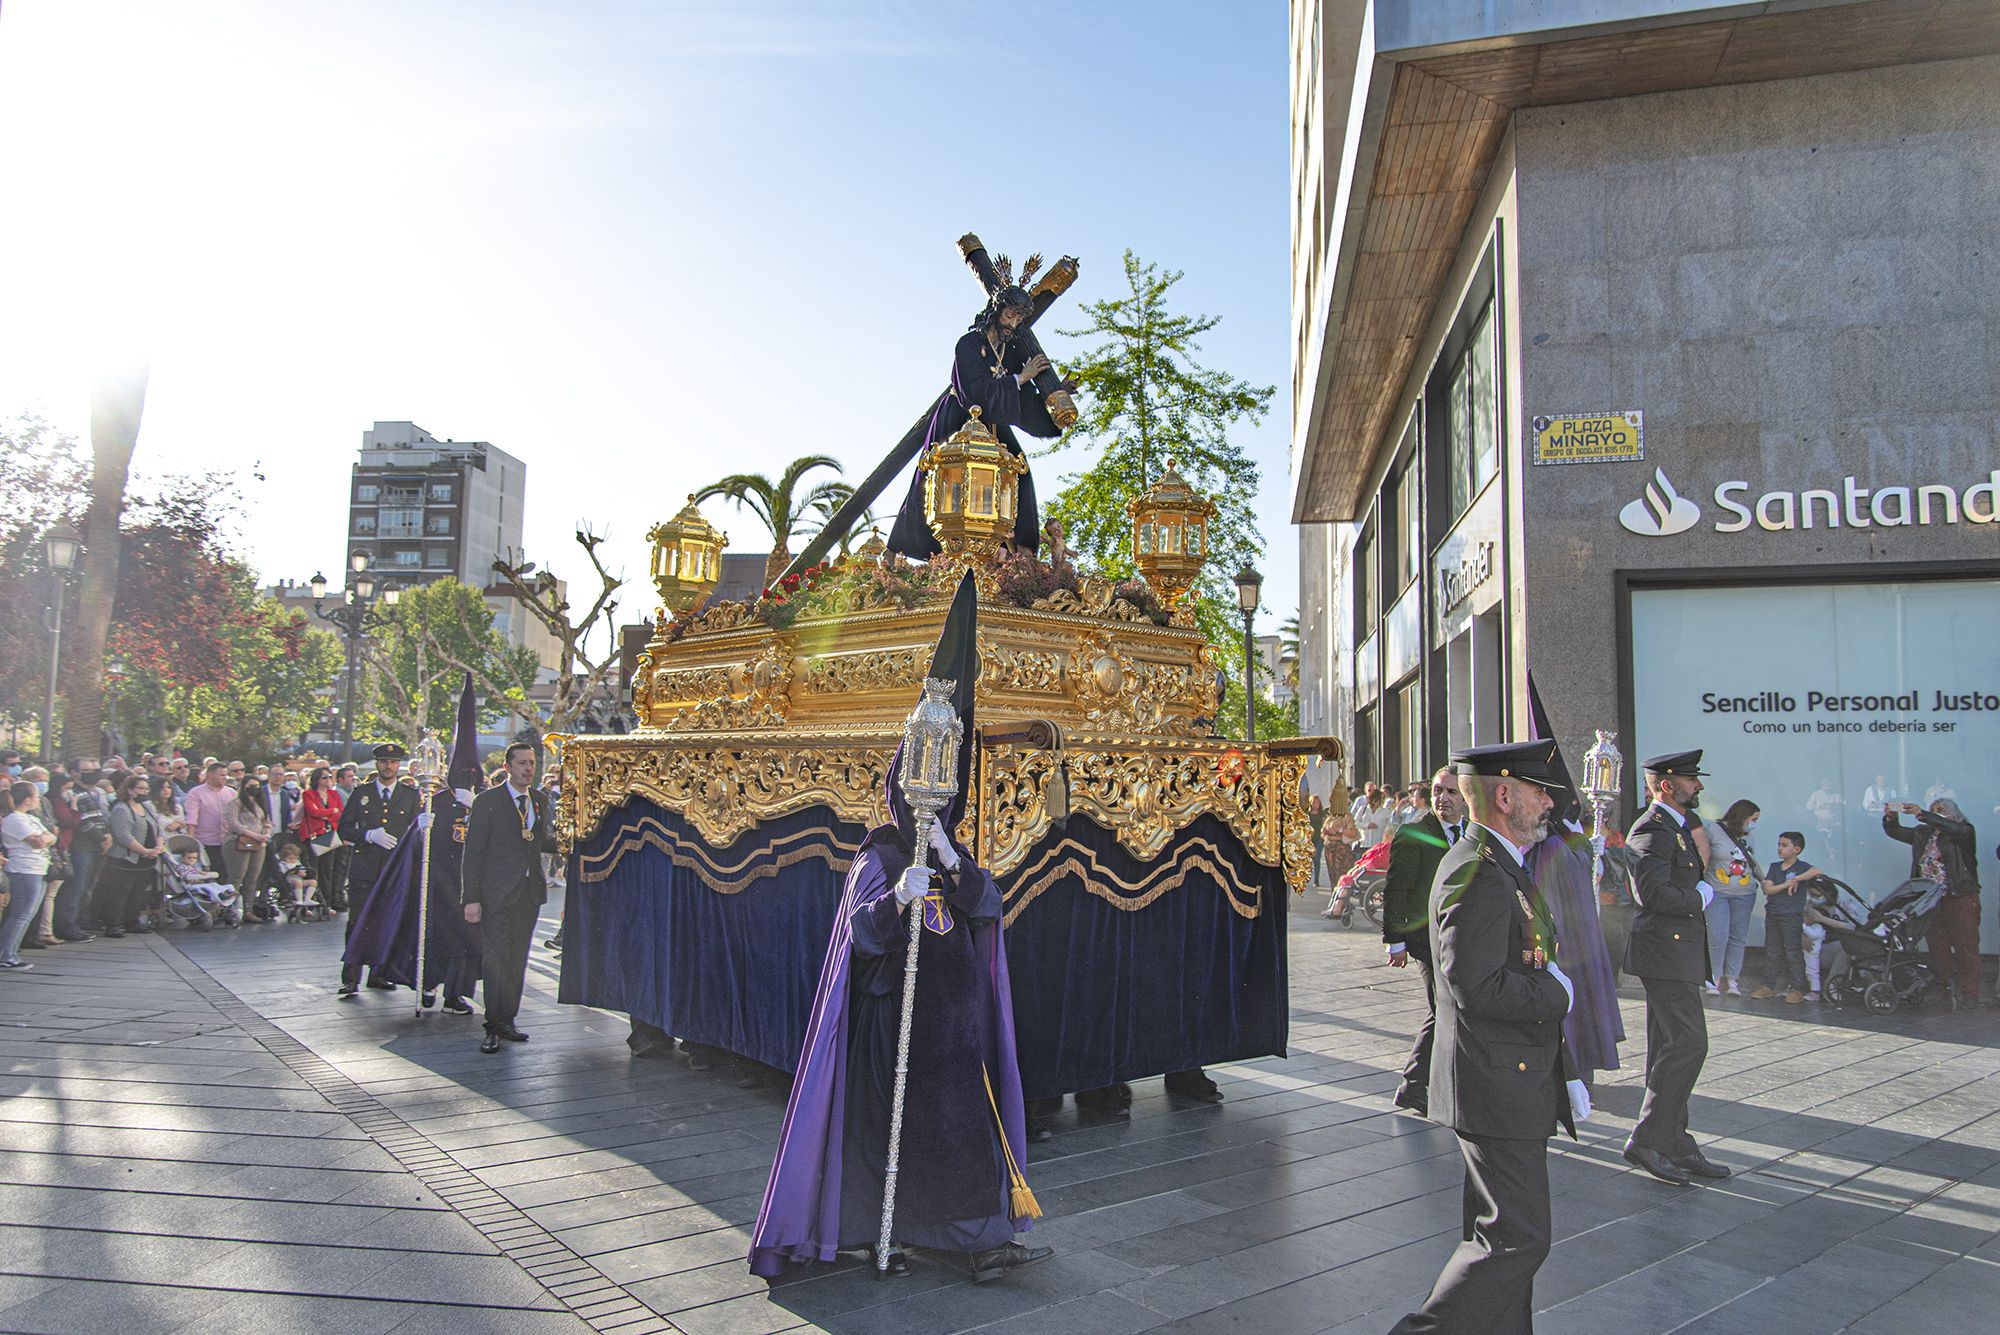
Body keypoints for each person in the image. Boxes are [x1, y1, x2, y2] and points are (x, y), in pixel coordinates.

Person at [751, 573, 1050, 1285]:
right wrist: (899, 896)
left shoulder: (952, 855)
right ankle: (947, 1240)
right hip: (903, 1041)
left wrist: (952, 861)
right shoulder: (882, 851)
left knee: (967, 1141)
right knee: (922, 1141)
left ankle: (979, 1237)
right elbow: (859, 935)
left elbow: (988, 910)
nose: (941, 799)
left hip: (959, 1036)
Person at [1388, 740, 1585, 1335]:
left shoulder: (1500, 861)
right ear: (1504, 796)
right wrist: (1559, 994)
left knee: (1497, 1236)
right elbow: (1476, 985)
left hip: (1506, 1075)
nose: (1547, 803)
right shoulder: (1480, 870)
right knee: (1517, 1241)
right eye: (1537, 792)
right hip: (1496, 1081)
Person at [886, 268, 1076, 561]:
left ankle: (1022, 555)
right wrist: (1018, 379)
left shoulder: (1011, 353)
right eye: (1009, 315)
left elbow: (1022, 403)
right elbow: (973, 392)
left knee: (1019, 472)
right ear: (996, 311)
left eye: (1018, 319)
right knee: (939, 479)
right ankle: (923, 553)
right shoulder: (969, 344)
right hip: (958, 420)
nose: (1013, 324)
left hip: (994, 425)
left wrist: (1054, 397)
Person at [1622, 751, 1728, 1187]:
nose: (1698, 787)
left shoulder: (1674, 828)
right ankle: (1648, 1139)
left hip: (1674, 953)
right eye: (1691, 780)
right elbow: (1654, 895)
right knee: (1689, 1044)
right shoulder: (1652, 829)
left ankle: (1674, 1140)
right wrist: (1701, 895)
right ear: (1666, 785)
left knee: (1668, 1045)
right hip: (1665, 954)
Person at [461, 742, 560, 1053]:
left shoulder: (540, 800)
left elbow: (539, 841)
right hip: (495, 894)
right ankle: (493, 1022)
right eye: (521, 763)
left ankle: (508, 1018)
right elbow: (473, 852)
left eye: (531, 763)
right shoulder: (488, 801)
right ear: (507, 767)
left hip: (528, 894)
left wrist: (568, 841)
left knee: (517, 958)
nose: (528, 769)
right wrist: (472, 898)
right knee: (496, 959)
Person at [1382, 767, 1463, 1117]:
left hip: (1457, 937)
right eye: (1437, 791)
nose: (1442, 799)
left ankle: (1441, 1080)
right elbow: (1396, 889)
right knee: (1441, 1008)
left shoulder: (1471, 834)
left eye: (1451, 792)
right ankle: (1413, 1086)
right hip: (1423, 937)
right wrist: (1395, 940)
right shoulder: (1414, 833)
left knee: (1449, 1008)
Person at [1882, 798, 1983, 1006]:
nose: (1937, 814)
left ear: (1954, 814)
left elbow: (1952, 828)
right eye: (1934, 810)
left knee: (1966, 947)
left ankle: (1970, 994)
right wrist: (1890, 819)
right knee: (1938, 946)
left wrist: (1925, 814)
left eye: (1941, 811)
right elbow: (1897, 832)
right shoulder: (1923, 833)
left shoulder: (1963, 831)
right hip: (1930, 899)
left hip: (1959, 896)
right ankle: (1943, 988)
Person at [336, 743, 418, 995]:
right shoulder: (362, 793)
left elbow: (415, 831)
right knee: (358, 922)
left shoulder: (410, 795)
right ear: (376, 764)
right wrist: (368, 834)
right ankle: (351, 977)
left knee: (387, 920)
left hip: (393, 868)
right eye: (383, 761)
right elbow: (344, 828)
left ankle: (379, 973)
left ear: (399, 765)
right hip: (366, 866)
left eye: (393, 762)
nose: (388, 766)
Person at [1752, 831, 1819, 1003]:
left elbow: (1817, 871)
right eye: (1779, 845)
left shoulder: (1802, 867)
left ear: (1796, 849)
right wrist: (1786, 884)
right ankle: (1769, 985)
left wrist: (1797, 879)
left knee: (1793, 952)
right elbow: (1768, 889)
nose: (1780, 848)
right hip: (1773, 914)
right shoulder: (1775, 867)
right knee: (1772, 951)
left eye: (1784, 845)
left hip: (1791, 916)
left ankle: (1798, 987)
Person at [1702, 800, 1761, 997]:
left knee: (1738, 937)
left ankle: (1732, 979)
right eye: (1753, 819)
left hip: (1745, 894)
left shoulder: (1750, 836)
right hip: (1717, 891)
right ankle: (1714, 977)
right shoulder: (1713, 830)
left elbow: (1752, 861)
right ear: (1742, 816)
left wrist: (1765, 880)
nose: (1754, 824)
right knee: (1717, 935)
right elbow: (1702, 857)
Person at [1, 781, 58, 970]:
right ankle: (5, 954)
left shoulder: (30, 818)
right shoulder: (15, 819)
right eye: (35, 797)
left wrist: (47, 838)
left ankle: (12, 952)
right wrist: (45, 838)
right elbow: (38, 841)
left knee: (28, 914)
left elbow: (51, 836)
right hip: (24, 870)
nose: (38, 800)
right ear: (27, 800)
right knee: (20, 914)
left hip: (38, 869)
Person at [104, 771, 164, 938]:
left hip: (146, 859)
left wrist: (158, 846)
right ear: (130, 790)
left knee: (139, 892)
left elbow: (157, 828)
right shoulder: (121, 809)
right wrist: (144, 851)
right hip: (125, 859)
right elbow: (123, 836)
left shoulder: (148, 807)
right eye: (140, 788)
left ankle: (132, 921)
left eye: (146, 789)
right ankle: (114, 924)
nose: (144, 792)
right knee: (120, 892)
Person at [52, 776, 107, 942]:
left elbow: (99, 816)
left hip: (92, 848)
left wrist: (106, 835)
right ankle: (67, 926)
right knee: (75, 889)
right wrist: (100, 838)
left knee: (84, 889)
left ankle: (77, 924)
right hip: (78, 848)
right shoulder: (61, 800)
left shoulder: (85, 794)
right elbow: (73, 821)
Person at [222, 779, 275, 909]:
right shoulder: (236, 803)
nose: (254, 788)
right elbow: (234, 823)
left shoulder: (260, 803)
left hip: (259, 844)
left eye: (257, 786)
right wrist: (254, 835)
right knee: (237, 877)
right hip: (238, 842)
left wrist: (266, 833)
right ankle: (230, 908)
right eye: (251, 786)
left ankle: (248, 908)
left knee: (253, 877)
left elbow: (267, 822)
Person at [299, 766, 344, 898]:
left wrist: (326, 814)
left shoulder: (333, 794)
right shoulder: (309, 794)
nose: (328, 779)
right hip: (314, 834)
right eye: (324, 777)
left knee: (327, 869)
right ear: (317, 779)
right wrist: (331, 811)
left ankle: (326, 900)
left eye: (330, 777)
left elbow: (340, 813)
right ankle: (310, 898)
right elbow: (313, 811)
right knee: (313, 868)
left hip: (329, 834)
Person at [182, 762, 234, 869]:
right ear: (210, 775)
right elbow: (191, 819)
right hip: (206, 842)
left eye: (226, 775)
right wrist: (191, 843)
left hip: (228, 842)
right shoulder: (196, 793)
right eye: (222, 775)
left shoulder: (232, 793)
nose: (225, 778)